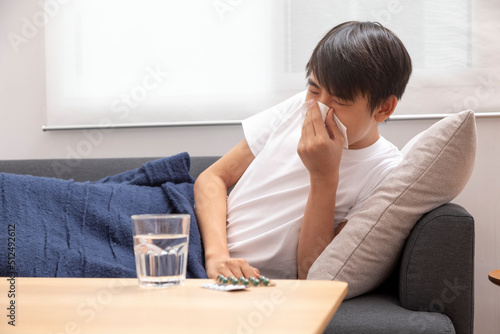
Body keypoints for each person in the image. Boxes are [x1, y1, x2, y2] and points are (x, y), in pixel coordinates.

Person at [193, 21, 412, 280]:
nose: (317, 109)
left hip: (257, 284)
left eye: (339, 101)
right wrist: (217, 257)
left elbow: (313, 273)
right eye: (314, 89)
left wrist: (324, 176)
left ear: (384, 108)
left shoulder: (385, 171)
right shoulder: (299, 105)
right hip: (200, 250)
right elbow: (213, 177)